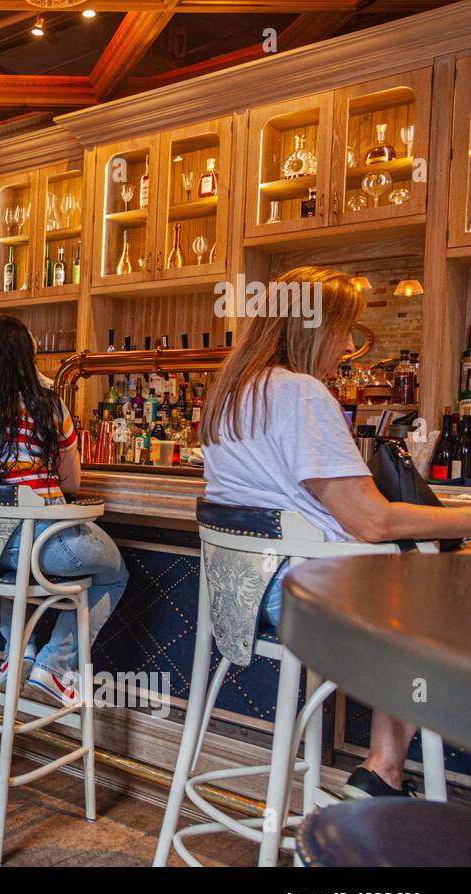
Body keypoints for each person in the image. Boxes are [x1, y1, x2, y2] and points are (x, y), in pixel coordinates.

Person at [200, 265, 471, 798]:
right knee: (438, 596)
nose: (348, 345)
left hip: (242, 592)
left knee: (415, 584)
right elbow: (371, 520)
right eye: (342, 330)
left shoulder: (229, 393)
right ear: (312, 327)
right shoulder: (300, 394)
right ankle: (385, 773)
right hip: (303, 594)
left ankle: (382, 772)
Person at [0, 315, 128, 704]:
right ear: (27, 359)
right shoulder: (46, 404)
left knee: (3, 564)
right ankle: (54, 666)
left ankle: (18, 657)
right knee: (115, 573)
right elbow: (71, 483)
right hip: (39, 546)